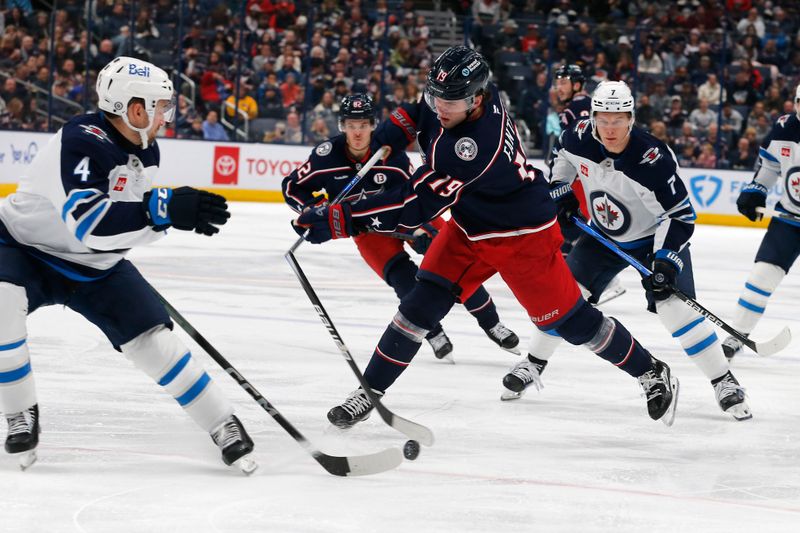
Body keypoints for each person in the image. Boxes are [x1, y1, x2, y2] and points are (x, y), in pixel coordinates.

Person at [294, 47, 679, 429]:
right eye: (437, 96)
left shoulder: (472, 146)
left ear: (476, 99)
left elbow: (413, 207)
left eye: (452, 101)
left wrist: (340, 219)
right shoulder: (462, 95)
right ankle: (370, 389)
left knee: (572, 322)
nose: (440, 107)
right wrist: (391, 133)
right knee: (418, 307)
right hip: (468, 226)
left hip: (521, 234)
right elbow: (418, 111)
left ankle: (651, 371)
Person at [0, 57, 255, 472]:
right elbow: (91, 225)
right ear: (134, 109)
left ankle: (221, 422)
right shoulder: (80, 140)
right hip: (23, 247)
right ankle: (18, 414)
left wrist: (166, 215)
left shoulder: (146, 150)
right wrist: (161, 209)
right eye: (160, 106)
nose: (164, 117)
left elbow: (136, 231)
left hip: (96, 265)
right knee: (0, 307)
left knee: (154, 342)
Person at [505, 80, 750, 421]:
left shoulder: (653, 159)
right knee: (563, 299)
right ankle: (534, 363)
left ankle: (724, 380)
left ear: (631, 118)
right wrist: (561, 189)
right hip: (602, 236)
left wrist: (665, 261)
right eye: (602, 119)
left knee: (676, 312)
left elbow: (680, 216)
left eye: (617, 119)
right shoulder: (578, 136)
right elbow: (563, 156)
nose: (609, 127)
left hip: (652, 241)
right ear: (592, 117)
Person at [283, 93, 519, 361]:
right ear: (341, 126)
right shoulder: (326, 157)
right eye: (351, 125)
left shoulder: (390, 155)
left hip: (406, 216)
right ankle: (434, 333)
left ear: (373, 125)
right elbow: (291, 187)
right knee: (402, 277)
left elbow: (415, 199)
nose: (357, 132)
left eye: (362, 125)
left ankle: (490, 323)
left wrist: (421, 230)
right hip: (368, 231)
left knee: (453, 264)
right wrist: (310, 210)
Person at [722, 84, 800, 360]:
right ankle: (737, 336)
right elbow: (770, 167)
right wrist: (756, 191)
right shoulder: (784, 128)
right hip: (789, 219)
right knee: (760, 279)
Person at [552, 64, 626, 304]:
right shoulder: (589, 105)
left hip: (581, 177)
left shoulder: (574, 109)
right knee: (572, 229)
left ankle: (606, 282)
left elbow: (571, 145)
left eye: (563, 83)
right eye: (557, 83)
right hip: (594, 175)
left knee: (572, 227)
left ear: (576, 85)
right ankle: (576, 281)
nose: (558, 87)